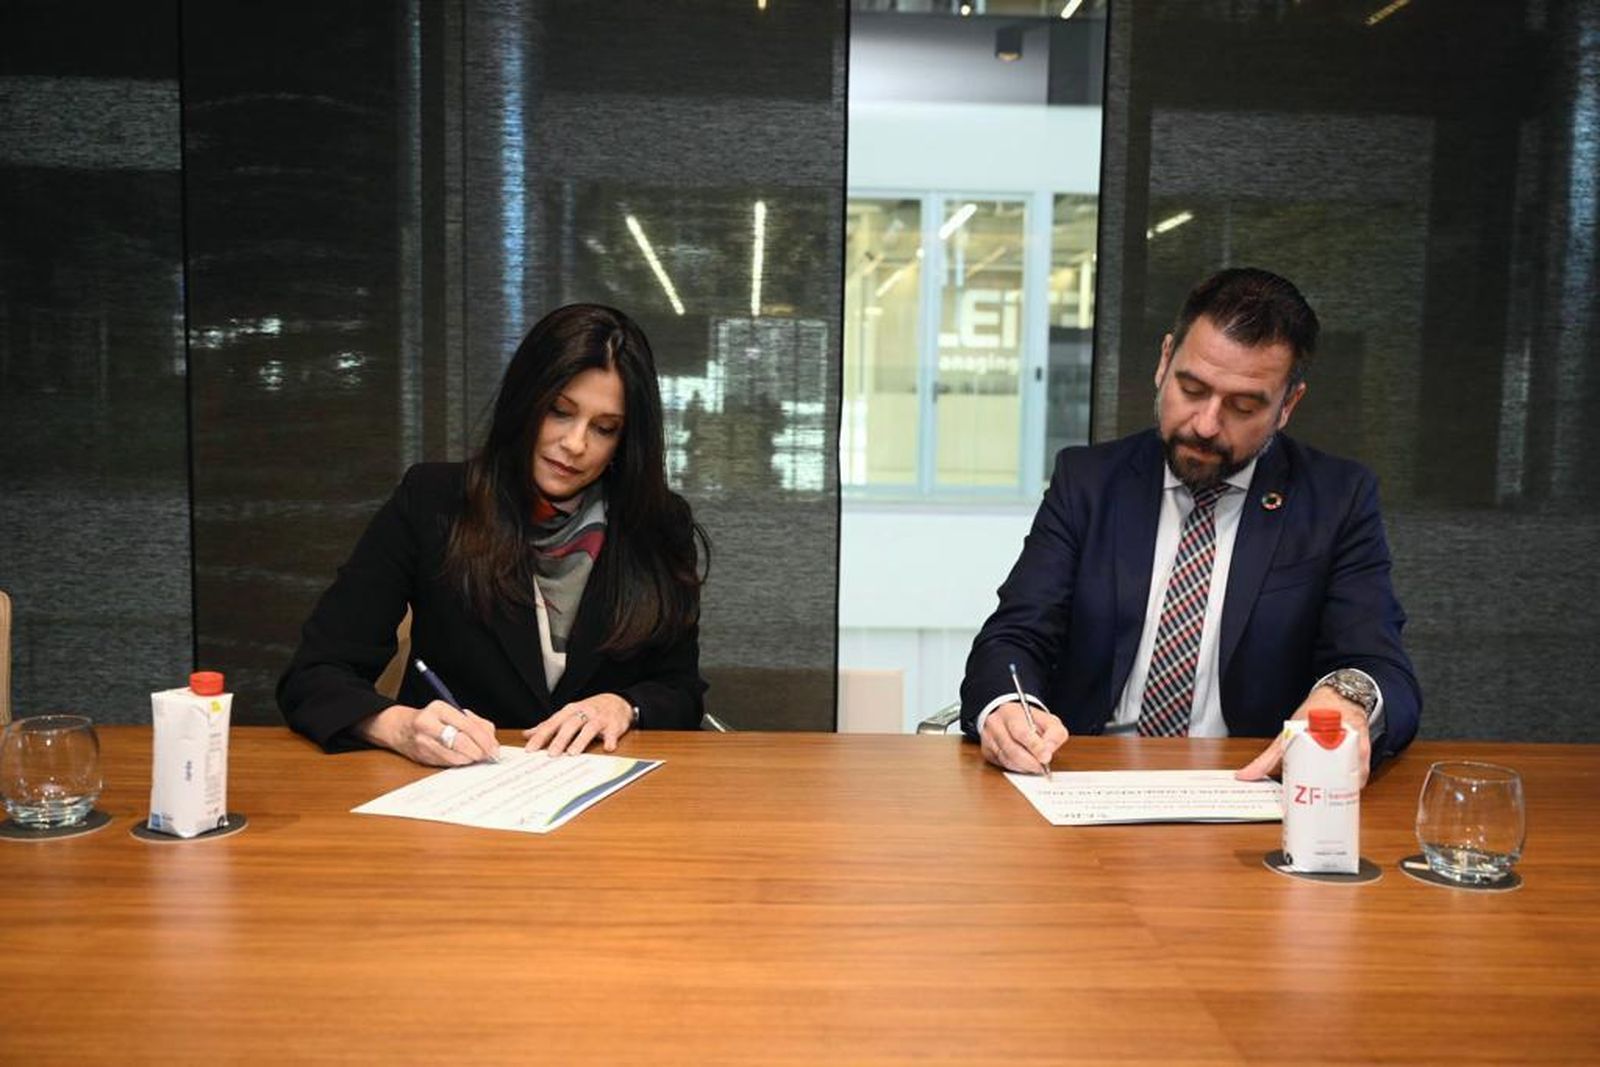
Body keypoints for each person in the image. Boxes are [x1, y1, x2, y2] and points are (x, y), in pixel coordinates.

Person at [960, 267, 1420, 787]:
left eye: (1243, 406)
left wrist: (1348, 699)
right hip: (1084, 781)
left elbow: (1379, 665)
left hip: (1248, 792)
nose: (1205, 424)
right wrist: (1005, 709)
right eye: (1192, 388)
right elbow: (1015, 636)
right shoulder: (1088, 481)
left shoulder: (1336, 499)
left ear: (1287, 405)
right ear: (1163, 362)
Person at [279, 304, 707, 765]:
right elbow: (315, 674)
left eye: (604, 429)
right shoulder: (434, 502)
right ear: (525, 401)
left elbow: (680, 690)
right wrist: (399, 726)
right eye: (559, 412)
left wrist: (624, 706)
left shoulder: (658, 523)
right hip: (456, 795)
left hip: (601, 801)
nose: (576, 444)